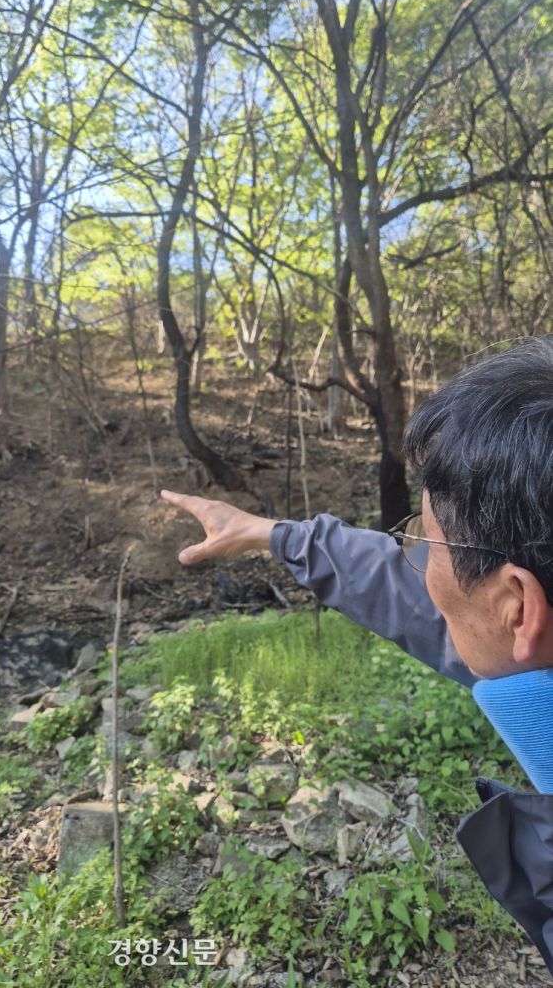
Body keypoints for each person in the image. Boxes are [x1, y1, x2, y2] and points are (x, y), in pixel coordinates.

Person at [161, 336, 553, 974]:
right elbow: (423, 603)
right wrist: (273, 535)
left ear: (518, 607)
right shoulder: (531, 658)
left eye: (428, 544)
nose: (420, 566)